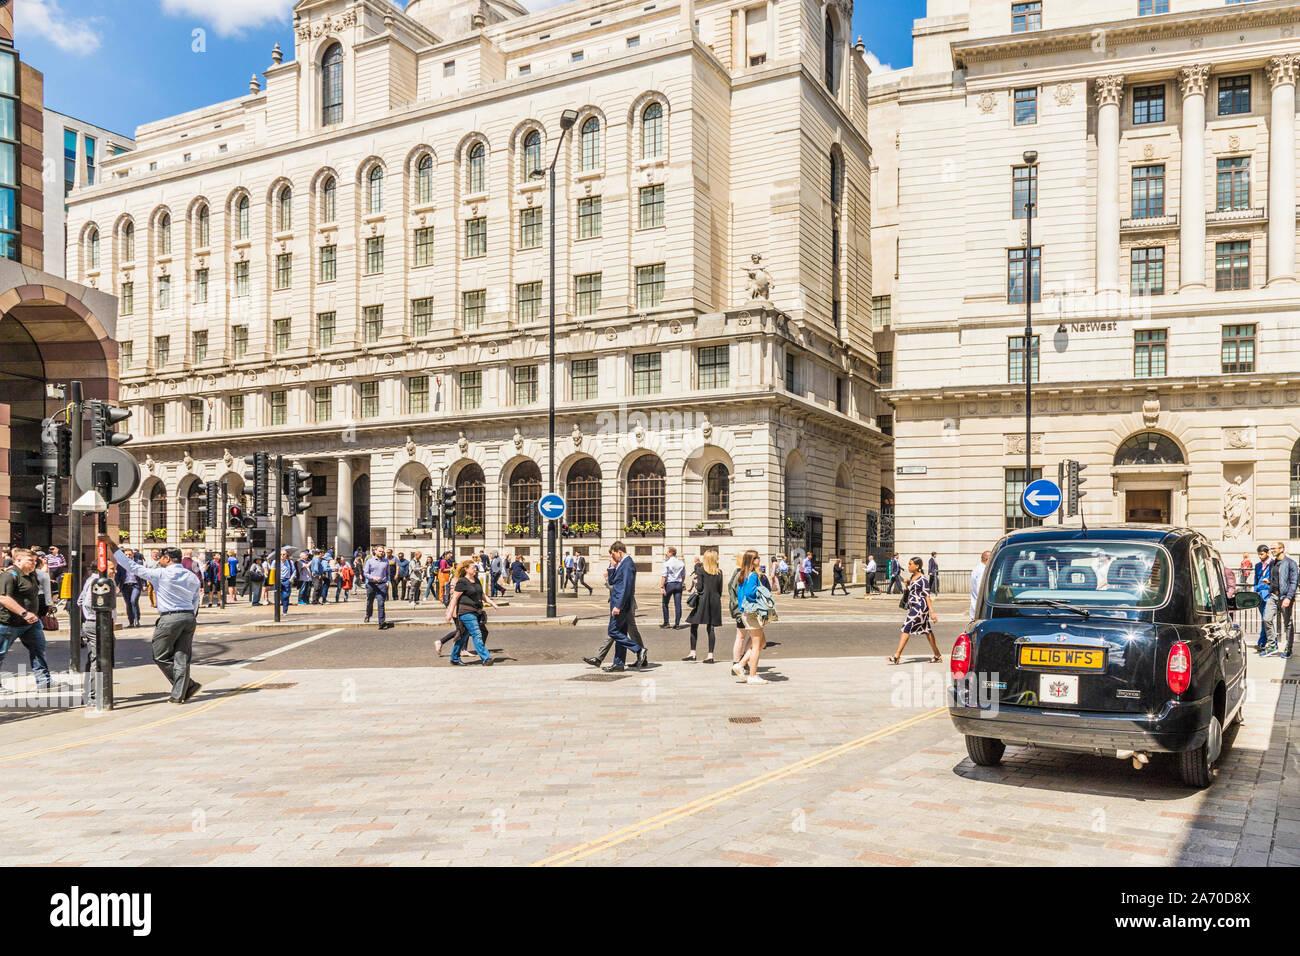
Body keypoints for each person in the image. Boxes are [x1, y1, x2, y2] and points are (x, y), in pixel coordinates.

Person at [105, 535, 203, 704]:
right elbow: (195, 600)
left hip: (169, 617)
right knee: (182, 656)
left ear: (167, 559)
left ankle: (188, 685)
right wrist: (191, 616)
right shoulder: (191, 576)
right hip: (188, 616)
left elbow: (131, 566)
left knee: (160, 655)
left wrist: (112, 545)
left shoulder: (160, 574)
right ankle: (180, 693)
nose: (159, 560)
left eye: (162, 558)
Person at [0, 548, 56, 693]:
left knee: (38, 649)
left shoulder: (31, 575)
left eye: (35, 561)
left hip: (31, 623)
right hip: (9, 623)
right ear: (18, 560)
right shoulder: (9, 575)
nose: (34, 563)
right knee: (1, 653)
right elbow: (3, 598)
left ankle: (44, 681)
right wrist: (24, 613)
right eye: (30, 560)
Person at [77, 560, 118, 705]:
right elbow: (87, 602)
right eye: (112, 568)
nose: (115, 571)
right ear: (103, 569)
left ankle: (90, 694)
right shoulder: (98, 582)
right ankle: (93, 696)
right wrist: (100, 615)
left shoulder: (92, 580)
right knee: (99, 661)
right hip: (97, 625)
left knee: (95, 660)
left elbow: (80, 601)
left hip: (95, 623)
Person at [445, 559, 499, 666]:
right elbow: (455, 598)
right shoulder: (462, 582)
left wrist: (492, 603)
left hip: (476, 611)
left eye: (475, 567)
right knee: (476, 633)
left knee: (463, 635)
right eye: (473, 567)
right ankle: (486, 658)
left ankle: (454, 658)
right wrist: (450, 613)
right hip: (465, 612)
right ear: (466, 569)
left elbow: (482, 595)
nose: (475, 569)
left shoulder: (476, 580)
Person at [889, 556, 941, 665]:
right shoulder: (913, 576)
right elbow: (912, 592)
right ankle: (937, 656)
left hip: (920, 608)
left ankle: (897, 655)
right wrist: (907, 585)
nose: (908, 566)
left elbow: (927, 596)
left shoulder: (923, 579)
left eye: (910, 564)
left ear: (917, 566)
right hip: (913, 607)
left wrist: (931, 612)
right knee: (927, 630)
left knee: (906, 626)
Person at [604, 541, 645, 672]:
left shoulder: (628, 564)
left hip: (620, 605)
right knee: (620, 633)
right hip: (618, 603)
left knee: (613, 631)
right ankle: (619, 663)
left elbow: (626, 587)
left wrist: (619, 606)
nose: (613, 557)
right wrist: (611, 567)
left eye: (613, 554)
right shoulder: (621, 564)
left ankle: (639, 649)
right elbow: (612, 582)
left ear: (619, 551)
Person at [732, 550, 772, 684]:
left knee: (762, 642)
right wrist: (761, 592)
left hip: (745, 612)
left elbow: (740, 595)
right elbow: (750, 593)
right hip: (753, 613)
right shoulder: (754, 575)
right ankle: (753, 675)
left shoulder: (743, 574)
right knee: (756, 645)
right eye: (756, 558)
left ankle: (740, 664)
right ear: (751, 560)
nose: (759, 560)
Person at [684, 549, 723, 663]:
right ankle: (710, 655)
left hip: (703, 600)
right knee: (710, 628)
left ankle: (693, 653)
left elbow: (700, 588)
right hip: (715, 601)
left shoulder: (701, 570)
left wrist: (696, 582)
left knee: (694, 625)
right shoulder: (719, 572)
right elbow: (720, 590)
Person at [1267, 542, 1297, 659]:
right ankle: (1272, 645)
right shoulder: (1272, 563)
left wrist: (1288, 598)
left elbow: (1294, 582)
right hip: (1273, 596)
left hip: (1285, 597)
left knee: (1287, 623)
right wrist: (1269, 582)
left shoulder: (1291, 563)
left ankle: (1288, 647)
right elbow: (1276, 579)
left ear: (1282, 549)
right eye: (1271, 548)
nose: (1272, 550)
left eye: (1274, 548)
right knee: (1267, 619)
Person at [363, 546, 393, 629]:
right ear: (375, 551)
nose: (381, 553)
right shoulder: (370, 561)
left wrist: (387, 582)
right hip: (371, 584)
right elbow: (365, 573)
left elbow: (388, 573)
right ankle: (368, 615)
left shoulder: (386, 561)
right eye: (380, 551)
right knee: (370, 601)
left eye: (383, 551)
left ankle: (381, 622)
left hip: (382, 585)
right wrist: (373, 578)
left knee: (381, 603)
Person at [660, 547, 686, 628]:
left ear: (670, 553)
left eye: (667, 552)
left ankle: (666, 623)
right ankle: (677, 624)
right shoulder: (681, 563)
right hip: (678, 584)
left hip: (669, 585)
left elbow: (664, 576)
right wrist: (681, 583)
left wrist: (662, 587)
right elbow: (683, 575)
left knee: (665, 603)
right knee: (678, 605)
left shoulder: (666, 563)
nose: (666, 554)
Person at [1254, 544, 1274, 652]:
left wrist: (1270, 582)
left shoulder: (1274, 564)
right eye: (1259, 555)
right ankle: (1266, 642)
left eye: (1262, 554)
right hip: (1260, 596)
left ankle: (1263, 642)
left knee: (1267, 620)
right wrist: (1255, 591)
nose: (1260, 556)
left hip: (1269, 595)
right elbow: (1255, 580)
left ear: (1267, 553)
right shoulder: (1257, 565)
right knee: (1265, 620)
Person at [970, 550, 991, 621]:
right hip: (980, 611)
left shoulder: (978, 568)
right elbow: (981, 591)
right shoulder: (982, 571)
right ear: (987, 559)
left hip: (976, 609)